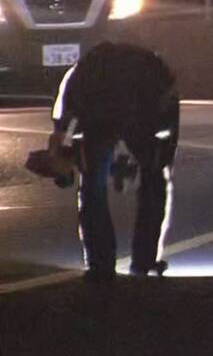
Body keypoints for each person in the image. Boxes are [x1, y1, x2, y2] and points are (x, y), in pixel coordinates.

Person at [31, 42, 180, 281]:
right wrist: (158, 161)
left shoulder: (79, 81)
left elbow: (62, 133)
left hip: (113, 104)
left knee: (93, 185)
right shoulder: (151, 75)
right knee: (154, 180)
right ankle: (143, 261)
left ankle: (100, 264)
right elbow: (166, 143)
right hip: (137, 101)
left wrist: (72, 163)